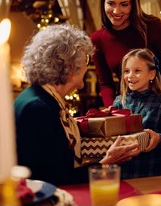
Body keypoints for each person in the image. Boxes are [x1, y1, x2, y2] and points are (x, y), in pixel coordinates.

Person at [15, 24, 140, 186]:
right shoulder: (38, 109)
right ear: (70, 66)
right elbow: (57, 179)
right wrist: (106, 163)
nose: (87, 66)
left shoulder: (38, 97)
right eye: (85, 59)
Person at [91, 0, 161, 109]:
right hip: (126, 106)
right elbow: (105, 84)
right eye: (111, 3)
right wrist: (111, 108)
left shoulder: (152, 26)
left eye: (124, 4)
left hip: (158, 103)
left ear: (133, 4)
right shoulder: (97, 39)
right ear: (103, 3)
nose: (116, 11)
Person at [112, 48, 161, 178]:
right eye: (127, 71)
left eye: (137, 71)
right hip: (121, 175)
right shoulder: (119, 102)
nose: (130, 75)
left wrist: (159, 139)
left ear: (151, 74)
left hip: (149, 173)